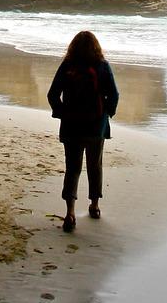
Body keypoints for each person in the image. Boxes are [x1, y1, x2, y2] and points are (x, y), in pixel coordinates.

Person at [47, 30, 119, 232]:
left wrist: (62, 113)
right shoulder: (102, 66)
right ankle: (95, 206)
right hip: (96, 125)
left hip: (71, 125)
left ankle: (70, 212)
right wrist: (107, 114)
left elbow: (52, 94)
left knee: (72, 168)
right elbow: (113, 94)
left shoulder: (68, 65)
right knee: (95, 166)